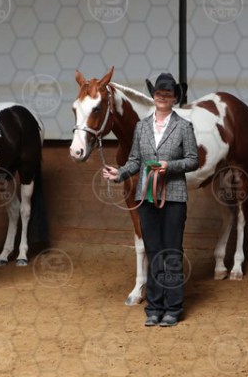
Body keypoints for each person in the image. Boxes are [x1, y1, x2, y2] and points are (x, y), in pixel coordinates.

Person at [103, 73, 199, 327]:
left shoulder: (184, 127)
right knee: (153, 250)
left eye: (168, 94)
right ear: (153, 96)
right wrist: (119, 173)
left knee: (172, 252)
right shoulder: (142, 127)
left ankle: (173, 308)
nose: (162, 98)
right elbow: (135, 160)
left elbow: (193, 160)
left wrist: (170, 166)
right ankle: (154, 307)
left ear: (174, 98)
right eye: (159, 94)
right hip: (146, 197)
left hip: (174, 197)